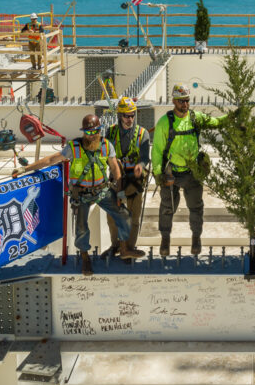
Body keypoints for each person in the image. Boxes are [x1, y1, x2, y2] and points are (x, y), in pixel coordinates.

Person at [17, 113, 145, 275]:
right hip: (82, 193)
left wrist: (119, 192)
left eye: (95, 132)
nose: (92, 136)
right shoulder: (74, 147)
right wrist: (25, 169)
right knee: (81, 228)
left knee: (124, 216)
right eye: (88, 132)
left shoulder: (106, 145)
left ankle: (124, 248)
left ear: (99, 131)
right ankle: (85, 257)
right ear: (84, 132)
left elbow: (114, 168)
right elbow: (51, 160)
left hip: (102, 190)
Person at [151, 84, 225, 256]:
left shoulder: (195, 118)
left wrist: (231, 119)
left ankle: (196, 239)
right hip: (171, 173)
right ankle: (165, 240)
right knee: (167, 208)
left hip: (192, 173)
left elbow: (216, 122)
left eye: (187, 101)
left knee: (196, 208)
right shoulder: (164, 122)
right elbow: (157, 151)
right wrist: (158, 173)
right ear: (174, 101)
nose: (185, 104)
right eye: (181, 101)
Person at [104, 96, 150, 258]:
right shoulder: (111, 132)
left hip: (134, 180)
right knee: (112, 217)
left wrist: (140, 166)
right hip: (115, 179)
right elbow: (106, 154)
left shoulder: (142, 134)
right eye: (126, 116)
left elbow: (145, 157)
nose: (130, 119)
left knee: (133, 216)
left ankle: (129, 247)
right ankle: (115, 246)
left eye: (132, 115)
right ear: (119, 116)